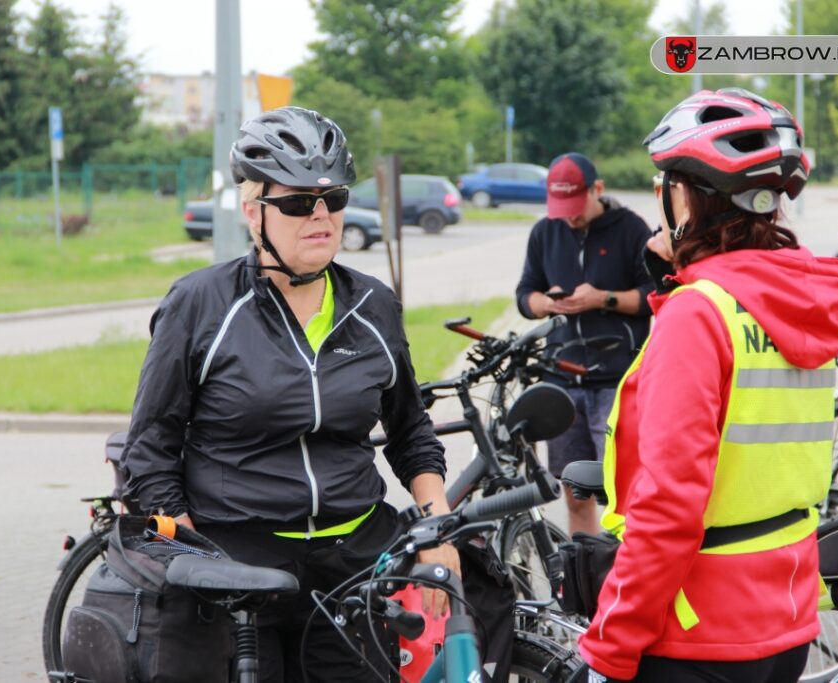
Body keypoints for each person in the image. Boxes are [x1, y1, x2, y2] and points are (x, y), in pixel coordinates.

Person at [120, 106, 459, 682]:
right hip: (240, 569)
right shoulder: (201, 305)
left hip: (355, 565)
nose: (321, 215)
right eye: (300, 203)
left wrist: (437, 532)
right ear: (255, 214)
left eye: (335, 199)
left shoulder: (372, 304)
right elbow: (149, 450)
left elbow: (411, 431)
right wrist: (201, 560)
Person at [576, 88, 838, 682]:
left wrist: (609, 648)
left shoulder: (701, 314)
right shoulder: (798, 302)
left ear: (680, 194)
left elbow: (667, 511)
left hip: (696, 632)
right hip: (782, 621)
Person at [515, 152, 654, 536]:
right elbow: (525, 293)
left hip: (616, 380)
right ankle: (583, 578)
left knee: (621, 492)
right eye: (562, 209)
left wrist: (603, 298)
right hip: (561, 379)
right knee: (576, 493)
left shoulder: (631, 229)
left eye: (575, 207)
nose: (570, 217)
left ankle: (623, 578)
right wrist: (543, 303)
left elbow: (654, 295)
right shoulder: (546, 231)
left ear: (598, 189)